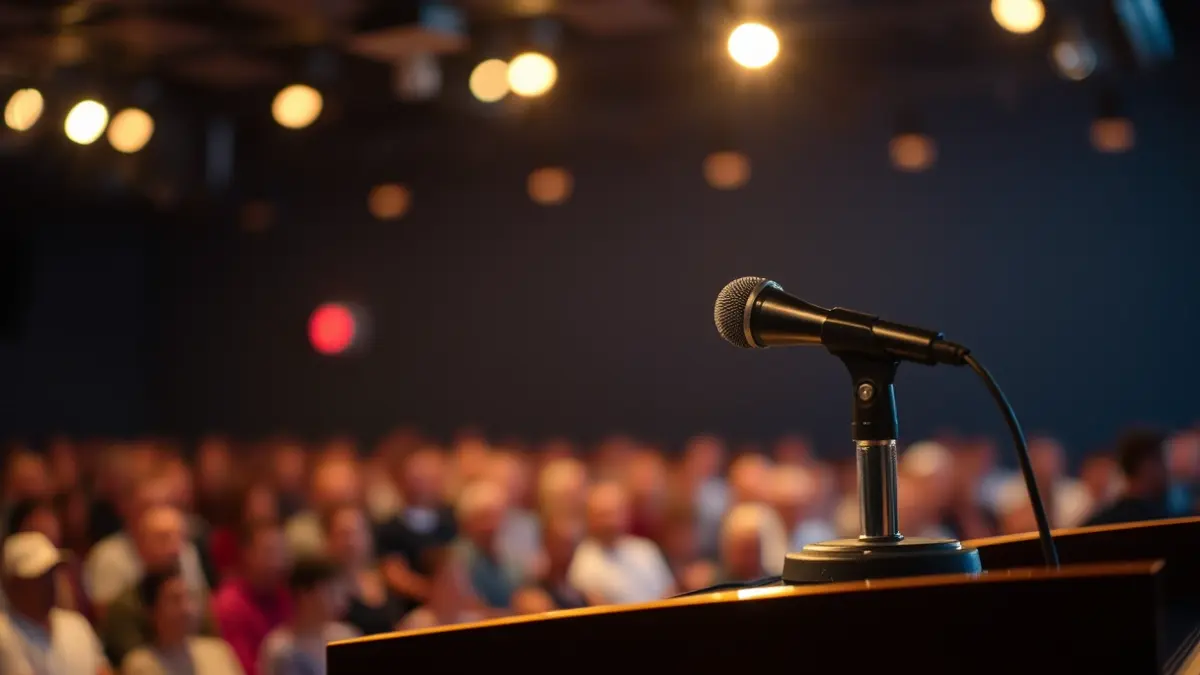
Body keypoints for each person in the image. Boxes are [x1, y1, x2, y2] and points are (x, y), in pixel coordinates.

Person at [100, 505, 220, 667]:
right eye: (163, 538)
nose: (175, 548)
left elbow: (209, 649)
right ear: (140, 546)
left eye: (180, 538)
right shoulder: (124, 607)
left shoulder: (198, 597)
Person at [0, 532, 110, 675]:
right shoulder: (4, 635)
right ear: (11, 585)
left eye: (51, 574)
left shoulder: (77, 625)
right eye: (37, 578)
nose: (48, 585)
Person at [120, 566, 243, 675]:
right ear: (152, 611)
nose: (186, 609)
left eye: (189, 597)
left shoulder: (217, 650)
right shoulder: (141, 663)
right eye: (175, 600)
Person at [568, 482, 675, 605]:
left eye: (616, 512)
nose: (611, 521)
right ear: (590, 517)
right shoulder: (582, 560)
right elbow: (598, 609)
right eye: (603, 515)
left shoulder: (646, 549)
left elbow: (669, 592)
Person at [211, 521, 292, 675]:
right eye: (269, 553)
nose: (278, 562)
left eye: (282, 553)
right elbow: (242, 668)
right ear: (247, 554)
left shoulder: (288, 596)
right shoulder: (230, 604)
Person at [258, 557, 358, 675]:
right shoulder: (280, 649)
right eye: (331, 592)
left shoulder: (346, 637)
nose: (340, 600)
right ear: (305, 595)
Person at [324, 505, 408, 635]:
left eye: (356, 532)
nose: (350, 541)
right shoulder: (324, 591)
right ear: (329, 540)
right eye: (343, 534)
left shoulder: (386, 579)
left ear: (369, 537)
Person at [451, 481, 523, 610]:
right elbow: (468, 608)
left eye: (496, 516)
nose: (492, 525)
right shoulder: (457, 560)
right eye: (484, 518)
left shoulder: (508, 555)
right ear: (467, 522)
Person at [1085, 430, 1174, 526]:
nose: (1168, 469)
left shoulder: (1095, 526)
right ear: (1146, 466)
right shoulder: (1167, 525)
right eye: (1162, 461)